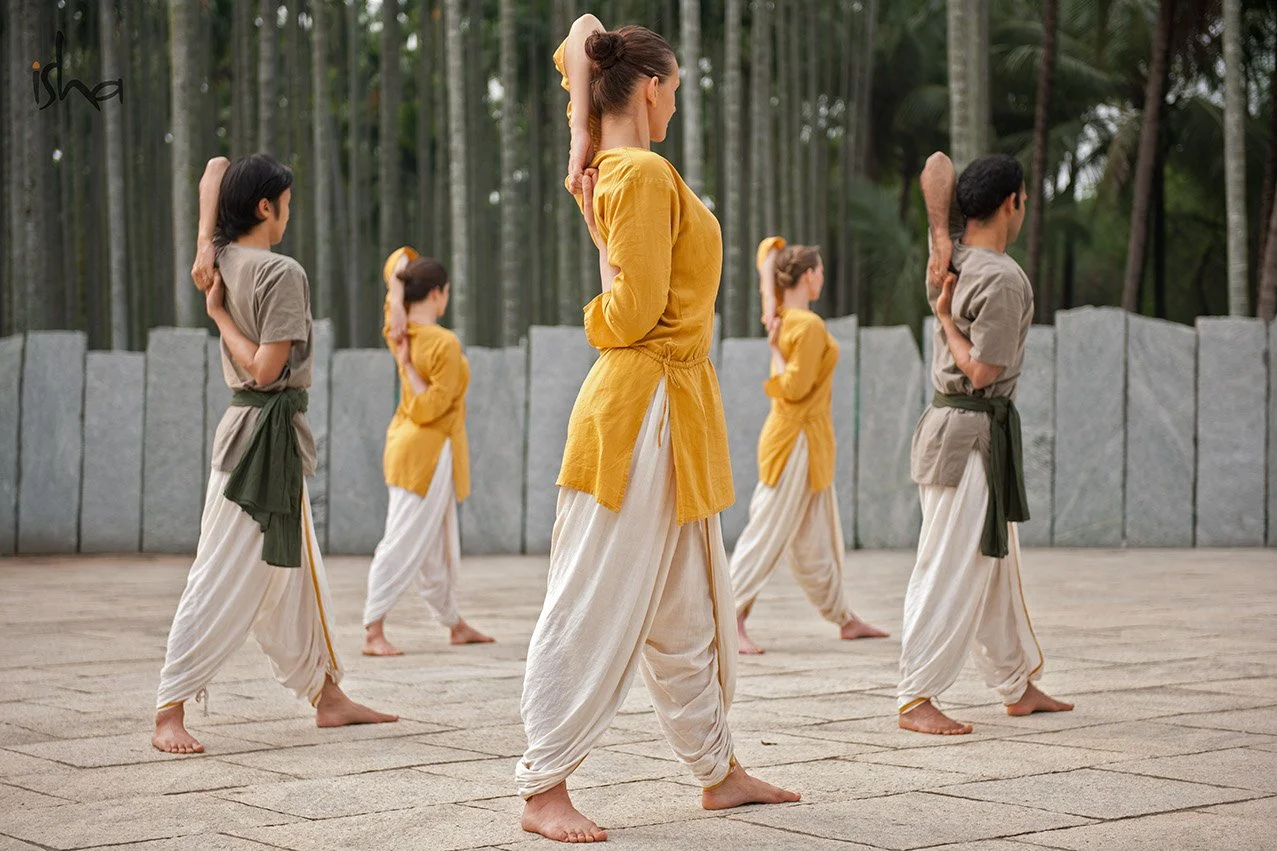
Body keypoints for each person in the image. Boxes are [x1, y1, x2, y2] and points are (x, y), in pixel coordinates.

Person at [517, 14, 799, 844]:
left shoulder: (619, 168)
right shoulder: (636, 171)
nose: (674, 104)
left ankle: (717, 771)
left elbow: (583, 31)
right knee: (590, 597)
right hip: (638, 412)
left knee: (685, 611)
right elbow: (630, 312)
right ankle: (543, 783)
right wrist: (599, 304)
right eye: (672, 88)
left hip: (666, 411)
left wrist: (577, 138)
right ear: (649, 87)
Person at [153, 154, 397, 755]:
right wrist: (216, 319)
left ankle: (328, 696)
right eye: (285, 201)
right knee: (220, 572)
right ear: (266, 207)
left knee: (295, 574)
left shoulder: (218, 260)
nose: (290, 213)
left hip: (256, 435)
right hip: (259, 438)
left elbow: (211, 167)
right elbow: (265, 370)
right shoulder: (281, 272)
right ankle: (169, 706)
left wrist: (205, 242)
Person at [898, 151, 1074, 735]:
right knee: (948, 565)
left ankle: (1016, 683)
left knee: (994, 565)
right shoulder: (999, 277)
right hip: (968, 436)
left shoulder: (948, 257)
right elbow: (980, 373)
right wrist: (948, 322)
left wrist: (940, 237)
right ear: (1011, 203)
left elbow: (937, 165)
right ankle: (916, 695)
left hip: (961, 435)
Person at [729, 236, 887, 655]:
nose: (822, 279)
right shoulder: (807, 325)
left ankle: (844, 618)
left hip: (806, 441)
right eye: (818, 271)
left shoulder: (780, 315)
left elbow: (766, 252)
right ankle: (730, 617)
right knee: (765, 531)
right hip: (794, 441)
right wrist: (774, 352)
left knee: (818, 539)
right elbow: (794, 387)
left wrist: (770, 312)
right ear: (808, 275)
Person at [362, 246, 494, 656]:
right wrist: (408, 369)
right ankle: (373, 629)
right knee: (403, 540)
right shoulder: (443, 343)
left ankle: (454, 623)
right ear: (437, 293)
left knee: (435, 545)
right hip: (427, 453)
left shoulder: (397, 329)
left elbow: (397, 260)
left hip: (410, 448)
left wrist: (397, 301)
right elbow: (430, 408)